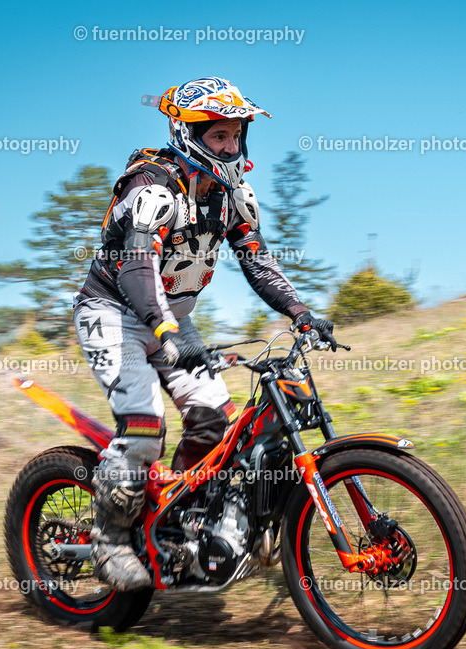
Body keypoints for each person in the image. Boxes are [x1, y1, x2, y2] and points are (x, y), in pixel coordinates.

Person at [73, 76, 336, 591]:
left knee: (216, 422)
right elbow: (134, 267)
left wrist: (300, 311)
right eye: (219, 136)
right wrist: (165, 330)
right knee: (145, 427)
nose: (231, 146)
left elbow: (257, 262)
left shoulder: (234, 195)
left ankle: (180, 523)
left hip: (171, 315)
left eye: (237, 135)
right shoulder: (153, 187)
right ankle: (108, 539)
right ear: (189, 133)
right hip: (115, 313)